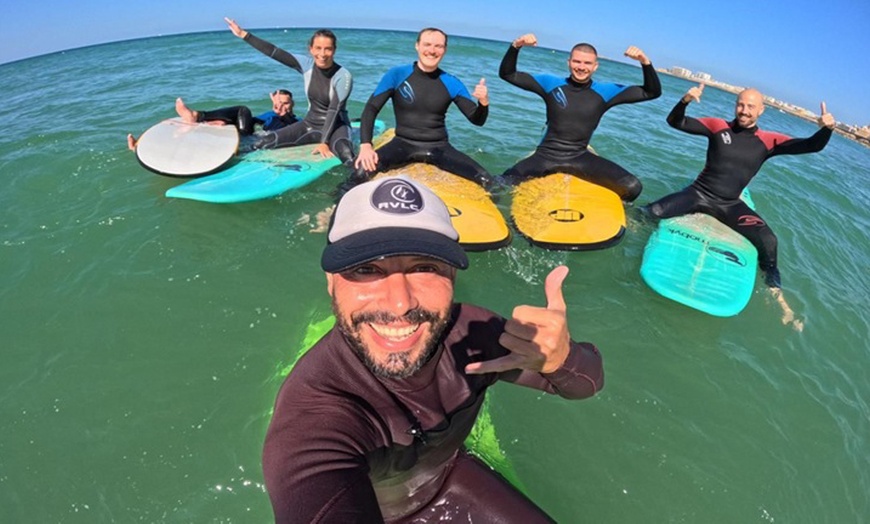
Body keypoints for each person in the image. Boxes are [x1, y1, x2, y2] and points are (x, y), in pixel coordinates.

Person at [263, 175, 605, 522]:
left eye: (424, 268)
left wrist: (563, 359)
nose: (399, 304)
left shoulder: (474, 335)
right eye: (367, 269)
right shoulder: (315, 413)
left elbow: (584, 386)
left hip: (451, 480)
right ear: (331, 282)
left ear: (452, 277)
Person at [644, 85, 836, 330]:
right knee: (653, 212)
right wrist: (685, 100)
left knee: (768, 240)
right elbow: (675, 122)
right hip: (698, 195)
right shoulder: (717, 127)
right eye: (741, 105)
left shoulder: (768, 141)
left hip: (730, 205)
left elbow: (811, 146)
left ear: (761, 110)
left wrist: (827, 129)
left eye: (751, 106)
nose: (744, 111)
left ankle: (776, 293)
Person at [499, 34, 661, 202]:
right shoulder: (551, 83)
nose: (581, 67)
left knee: (633, 187)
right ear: (568, 62)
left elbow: (652, 92)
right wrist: (516, 46)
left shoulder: (605, 91)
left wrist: (644, 61)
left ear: (595, 66)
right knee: (501, 183)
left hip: (579, 157)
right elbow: (508, 74)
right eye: (577, 61)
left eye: (587, 63)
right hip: (545, 156)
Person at [351, 28, 493, 189]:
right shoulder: (397, 74)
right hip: (402, 144)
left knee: (486, 179)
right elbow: (371, 108)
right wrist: (366, 146)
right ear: (417, 46)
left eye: (438, 46)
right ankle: (335, 209)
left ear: (444, 50)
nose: (432, 51)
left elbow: (477, 119)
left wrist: (483, 102)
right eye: (427, 44)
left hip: (439, 147)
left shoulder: (452, 82)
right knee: (360, 170)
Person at [225, 18, 355, 164]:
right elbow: (275, 52)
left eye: (328, 49)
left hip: (336, 127)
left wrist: (324, 142)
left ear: (334, 50)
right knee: (262, 143)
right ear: (310, 49)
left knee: (346, 154)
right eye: (318, 48)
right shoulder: (307, 65)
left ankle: (350, 185)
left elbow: (334, 110)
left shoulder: (343, 76)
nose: (322, 54)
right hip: (310, 124)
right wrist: (244, 34)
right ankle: (231, 162)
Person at [125, 90, 298, 151]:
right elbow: (250, 122)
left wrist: (284, 115)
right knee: (242, 111)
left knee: (238, 115)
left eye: (286, 103)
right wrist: (225, 124)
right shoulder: (269, 114)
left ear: (293, 104)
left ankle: (200, 118)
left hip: (257, 142)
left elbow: (301, 130)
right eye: (278, 103)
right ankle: (198, 118)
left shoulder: (298, 121)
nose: (281, 106)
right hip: (246, 135)